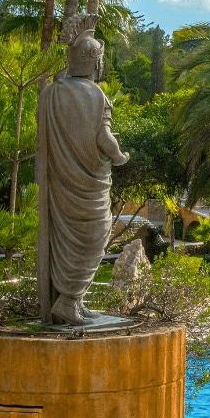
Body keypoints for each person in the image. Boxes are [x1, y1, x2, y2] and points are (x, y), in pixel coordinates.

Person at [38, 28, 129, 325]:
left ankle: (74, 299)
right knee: (95, 236)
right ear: (95, 63)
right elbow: (104, 138)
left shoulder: (52, 92)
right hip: (90, 186)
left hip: (61, 183)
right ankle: (67, 301)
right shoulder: (96, 94)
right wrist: (119, 156)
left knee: (65, 240)